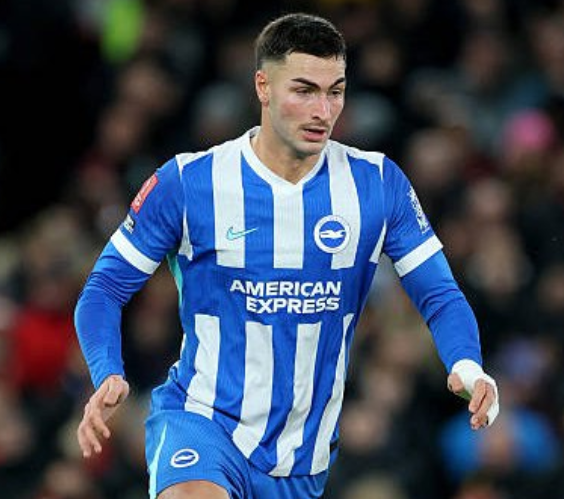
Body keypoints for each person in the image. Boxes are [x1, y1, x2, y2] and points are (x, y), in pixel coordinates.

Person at [74, 12, 500, 499]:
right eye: (304, 90)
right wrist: (107, 370)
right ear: (263, 86)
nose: (322, 110)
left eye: (335, 91)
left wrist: (467, 364)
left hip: (301, 457)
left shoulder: (378, 185)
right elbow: (104, 288)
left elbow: (439, 294)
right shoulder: (189, 183)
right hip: (202, 423)